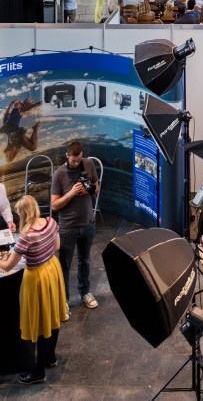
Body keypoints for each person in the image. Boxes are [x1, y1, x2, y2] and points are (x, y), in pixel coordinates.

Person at [0, 195, 67, 385]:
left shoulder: (26, 237)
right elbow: (57, 246)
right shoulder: (50, 221)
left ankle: (38, 371)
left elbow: (7, 266)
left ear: (22, 213)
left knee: (40, 322)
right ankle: (51, 357)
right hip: (52, 270)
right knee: (53, 314)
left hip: (36, 277)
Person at [51, 141, 100, 316]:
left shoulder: (88, 163)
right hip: (67, 227)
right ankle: (63, 299)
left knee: (85, 261)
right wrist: (71, 193)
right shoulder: (59, 174)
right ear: (67, 155)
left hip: (87, 223)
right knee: (64, 265)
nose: (76, 164)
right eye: (73, 161)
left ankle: (85, 292)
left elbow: (96, 185)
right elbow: (55, 205)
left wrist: (89, 190)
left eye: (78, 160)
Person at [1, 98, 40, 163]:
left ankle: (35, 129)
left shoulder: (15, 112)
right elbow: (7, 112)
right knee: (8, 159)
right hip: (14, 137)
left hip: (16, 135)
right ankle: (20, 143)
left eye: (18, 104)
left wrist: (34, 105)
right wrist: (10, 104)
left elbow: (22, 110)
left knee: (32, 147)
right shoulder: (7, 118)